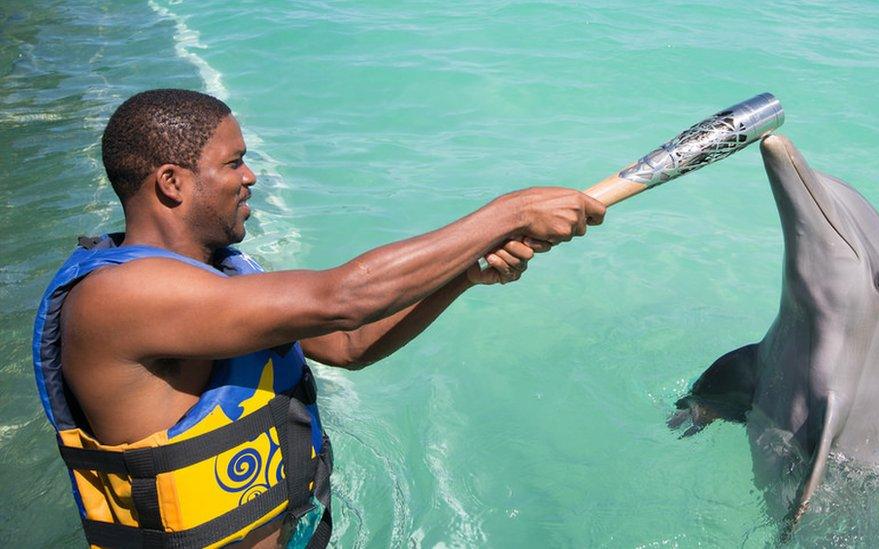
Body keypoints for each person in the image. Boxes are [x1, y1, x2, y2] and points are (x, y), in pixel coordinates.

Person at [32, 89, 605, 548]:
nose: (251, 176)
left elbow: (349, 341)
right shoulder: (121, 296)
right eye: (234, 162)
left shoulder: (220, 278)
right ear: (172, 182)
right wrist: (513, 210)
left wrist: (463, 272)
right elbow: (344, 298)